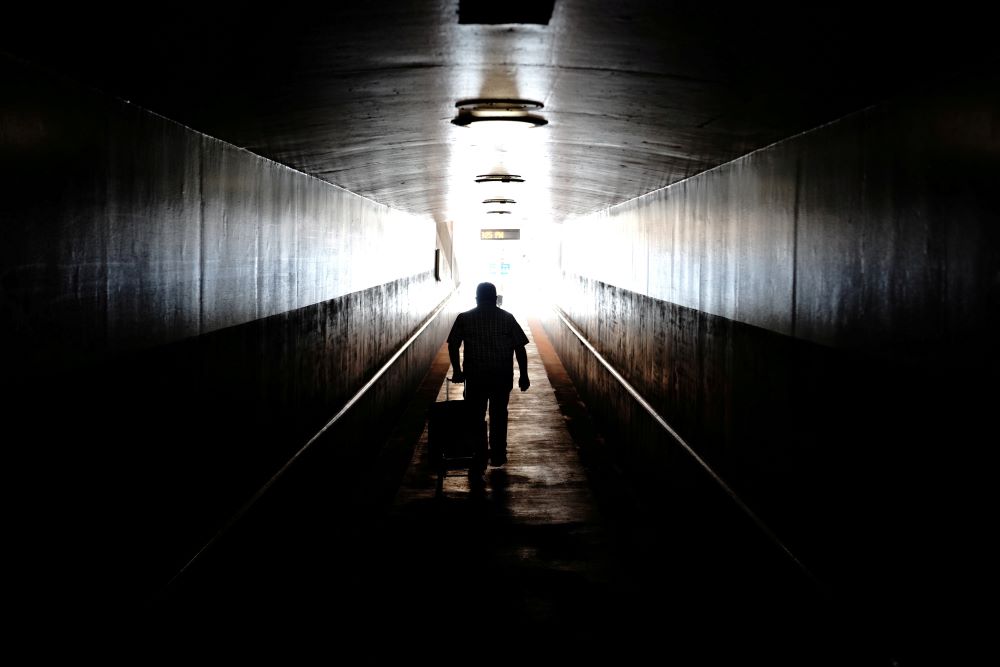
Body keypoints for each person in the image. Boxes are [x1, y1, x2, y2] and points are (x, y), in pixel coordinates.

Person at [448, 282, 530, 487]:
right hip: (501, 377)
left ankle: (478, 458)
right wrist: (524, 375)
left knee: (475, 418)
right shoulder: (507, 318)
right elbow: (520, 347)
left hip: (475, 378)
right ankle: (498, 456)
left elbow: (453, 344)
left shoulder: (464, 318)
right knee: (499, 414)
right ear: (496, 298)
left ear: (476, 298)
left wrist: (458, 370)